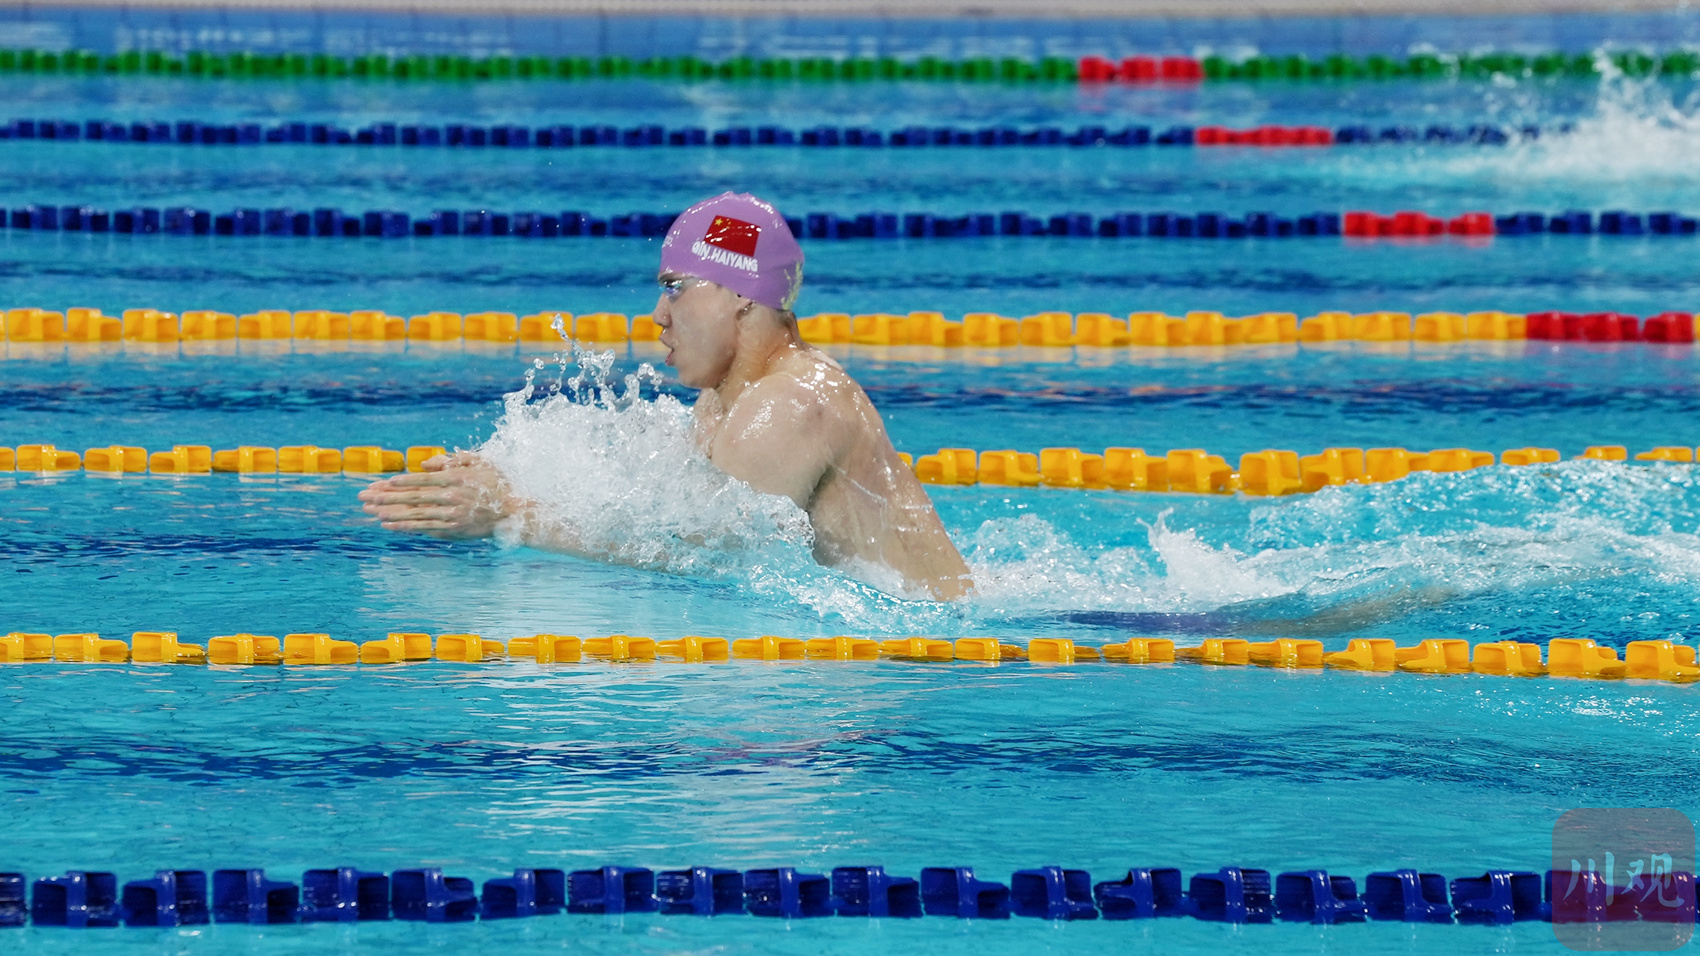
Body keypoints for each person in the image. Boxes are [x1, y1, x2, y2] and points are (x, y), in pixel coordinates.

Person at [358, 191, 973, 601]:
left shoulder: (788, 403)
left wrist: (510, 514)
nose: (657, 313)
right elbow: (667, 515)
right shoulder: (727, 398)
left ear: (740, 294)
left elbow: (710, 558)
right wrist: (508, 478)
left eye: (675, 287)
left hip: (932, 651)